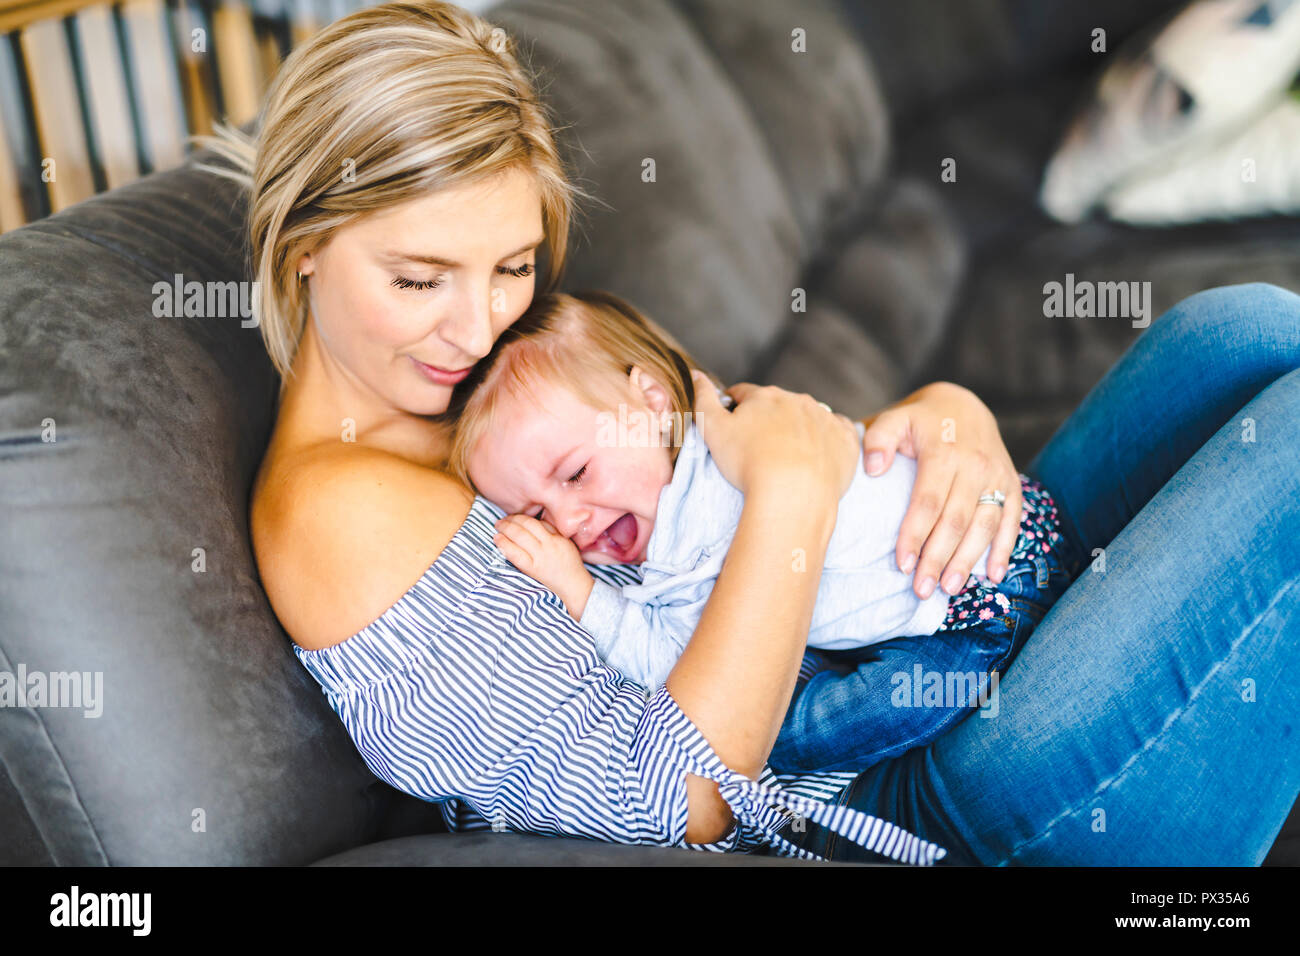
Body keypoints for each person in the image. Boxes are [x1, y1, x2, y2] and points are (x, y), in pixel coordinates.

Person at [201, 0, 1299, 864]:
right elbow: (675, 797)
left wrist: (948, 422)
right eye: (417, 277)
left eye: (512, 265)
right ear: (304, 243)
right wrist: (796, 496)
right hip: (905, 786)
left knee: (1240, 331)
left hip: (919, 617)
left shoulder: (481, 374)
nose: (479, 321)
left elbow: (750, 443)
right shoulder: (337, 511)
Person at [445, 289, 1071, 773]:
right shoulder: (734, 432)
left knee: (789, 736)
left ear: (654, 400)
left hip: (979, 596)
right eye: (536, 515)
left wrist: (582, 596)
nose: (570, 522)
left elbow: (678, 671)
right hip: (1015, 518)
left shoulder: (691, 531)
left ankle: (1029, 671)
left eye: (577, 471)